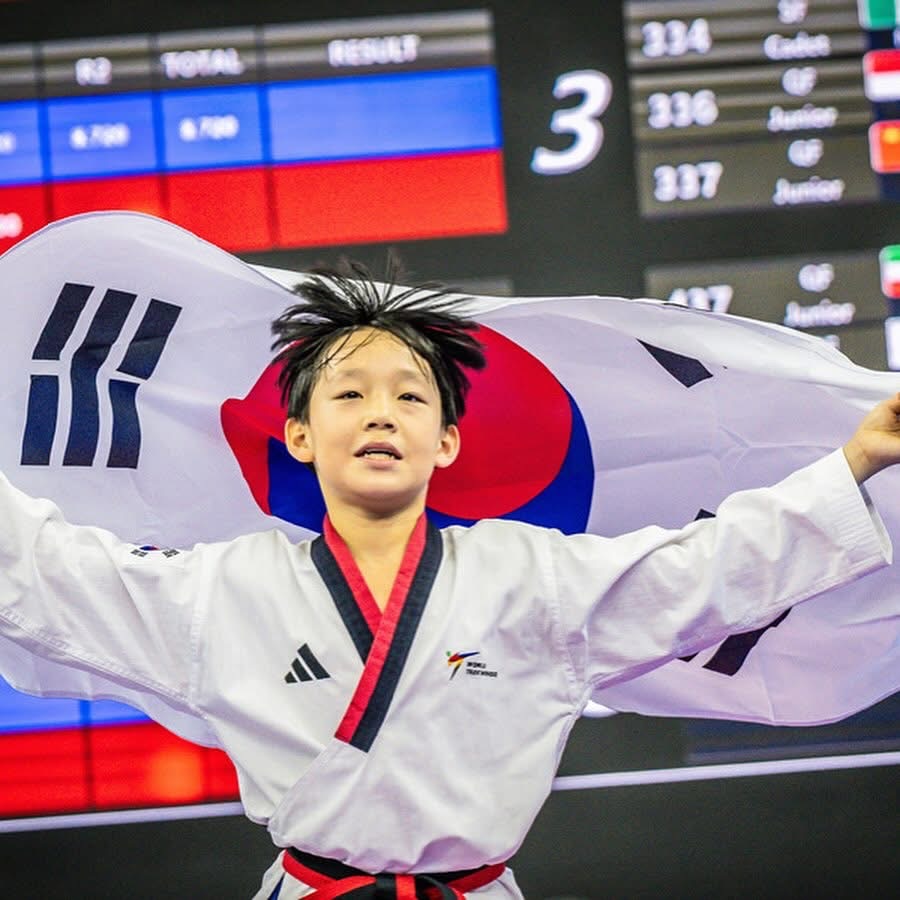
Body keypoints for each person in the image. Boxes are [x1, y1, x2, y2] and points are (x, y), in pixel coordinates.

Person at [1, 263, 899, 899]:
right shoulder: (220, 592)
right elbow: (51, 572)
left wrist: (855, 457)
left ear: (448, 442)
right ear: (300, 437)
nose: (380, 413)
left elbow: (708, 570)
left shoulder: (533, 579)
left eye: (410, 396)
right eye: (348, 394)